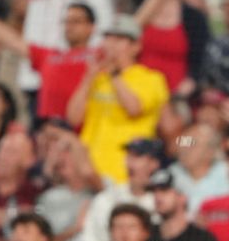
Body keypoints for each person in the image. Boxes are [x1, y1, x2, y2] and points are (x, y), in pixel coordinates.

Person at [0, 0, 96, 122]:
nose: (69, 26)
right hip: (47, 129)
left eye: (76, 21)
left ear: (92, 27)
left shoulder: (99, 54)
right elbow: (12, 41)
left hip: (85, 128)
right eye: (66, 22)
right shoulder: (49, 55)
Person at [66, 14, 169, 183]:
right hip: (87, 171)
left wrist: (114, 74)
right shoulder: (97, 79)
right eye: (108, 38)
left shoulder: (151, 78)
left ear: (135, 46)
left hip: (123, 174)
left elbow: (133, 108)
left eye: (119, 39)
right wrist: (87, 79)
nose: (111, 45)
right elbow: (73, 118)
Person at [81, 138, 163, 241]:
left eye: (137, 156)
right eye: (128, 156)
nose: (129, 163)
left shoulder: (161, 201)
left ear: (154, 163)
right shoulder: (107, 198)